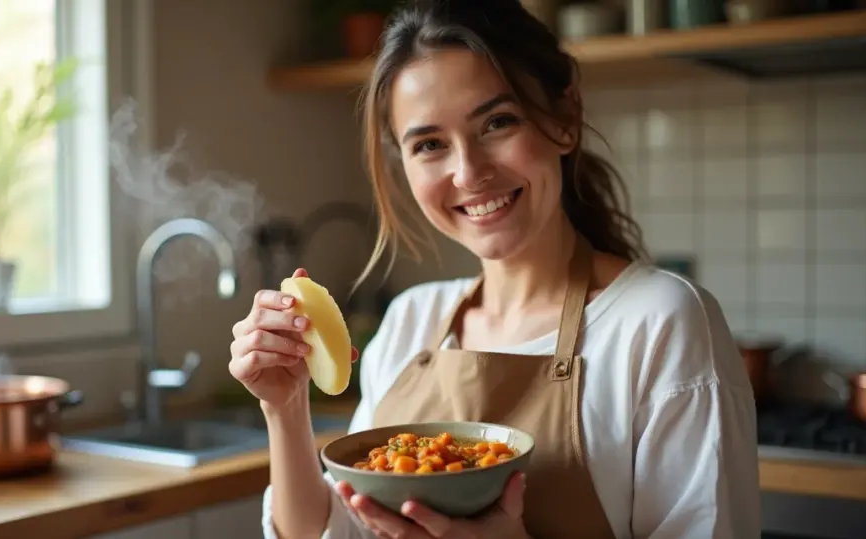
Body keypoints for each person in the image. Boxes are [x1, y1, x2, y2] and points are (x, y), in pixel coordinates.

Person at [228, 0, 761, 537]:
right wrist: (285, 408)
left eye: (497, 123)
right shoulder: (412, 320)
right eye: (430, 144)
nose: (468, 172)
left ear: (565, 118)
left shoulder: (660, 322)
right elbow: (347, 531)